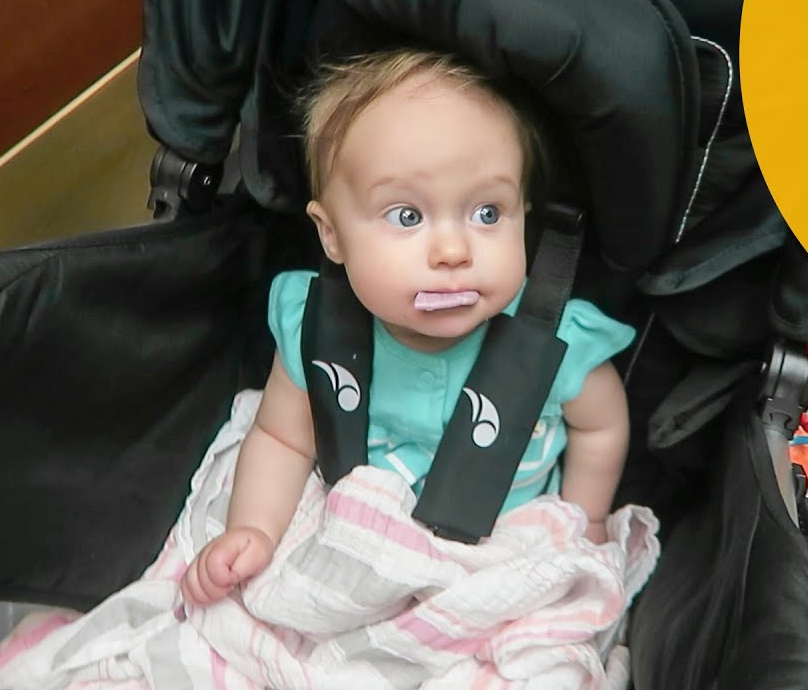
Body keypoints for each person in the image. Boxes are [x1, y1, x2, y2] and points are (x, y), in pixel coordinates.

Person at [180, 48, 637, 606]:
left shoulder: (553, 343)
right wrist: (253, 529)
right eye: (407, 216)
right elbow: (282, 439)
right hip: (358, 537)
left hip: (511, 548)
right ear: (332, 236)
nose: (452, 250)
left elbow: (600, 427)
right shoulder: (315, 331)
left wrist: (587, 518)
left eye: (488, 213)